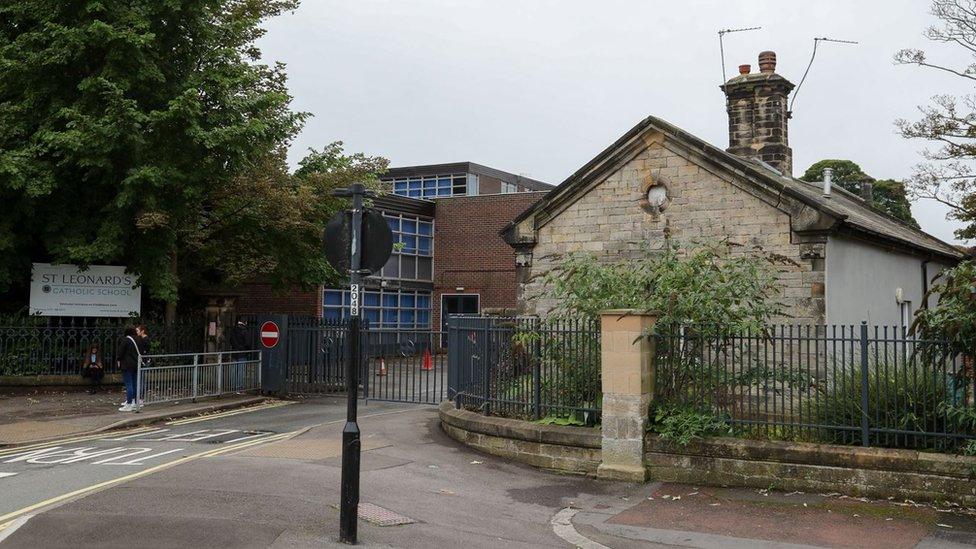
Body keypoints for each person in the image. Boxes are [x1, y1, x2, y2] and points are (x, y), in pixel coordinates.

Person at [116, 327, 142, 412]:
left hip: (127, 365)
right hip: (136, 364)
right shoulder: (139, 339)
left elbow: (120, 352)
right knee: (135, 384)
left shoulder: (126, 340)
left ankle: (129, 404)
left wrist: (118, 359)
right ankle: (134, 402)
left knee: (129, 384)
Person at [227, 320, 249, 391]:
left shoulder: (233, 330)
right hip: (242, 352)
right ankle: (240, 387)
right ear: (245, 322)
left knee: (234, 370)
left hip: (234, 352)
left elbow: (230, 340)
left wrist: (235, 347)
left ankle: (233, 386)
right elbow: (247, 343)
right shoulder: (244, 330)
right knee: (241, 370)